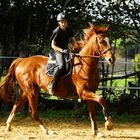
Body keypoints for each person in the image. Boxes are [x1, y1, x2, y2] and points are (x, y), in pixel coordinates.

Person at [48, 11, 77, 94]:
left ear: (67, 22)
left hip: (67, 50)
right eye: (61, 22)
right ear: (59, 22)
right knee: (62, 66)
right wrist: (62, 50)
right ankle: (52, 85)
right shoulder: (57, 31)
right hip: (58, 51)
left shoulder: (69, 30)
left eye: (64, 21)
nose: (63, 23)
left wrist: (75, 48)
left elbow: (73, 41)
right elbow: (53, 45)